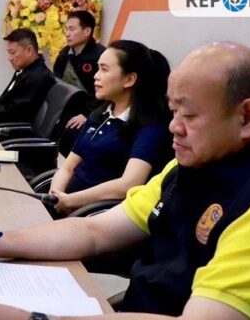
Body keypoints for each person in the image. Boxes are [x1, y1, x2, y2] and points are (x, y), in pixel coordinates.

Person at [0, 42, 250, 320]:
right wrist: (0, 242)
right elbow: (95, 231)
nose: (174, 127)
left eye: (189, 116)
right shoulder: (186, 167)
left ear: (247, 118)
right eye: (173, 112)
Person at [49, 40, 172, 217]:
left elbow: (128, 184)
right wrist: (55, 196)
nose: (96, 76)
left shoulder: (150, 126)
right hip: (65, 204)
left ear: (129, 79)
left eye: (104, 69)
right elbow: (67, 168)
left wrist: (71, 201)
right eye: (98, 68)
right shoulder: (99, 114)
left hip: (92, 216)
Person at [53, 10, 106, 130]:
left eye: (72, 29)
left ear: (87, 31)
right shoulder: (64, 53)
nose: (67, 34)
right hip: (66, 110)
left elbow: (106, 91)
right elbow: (56, 82)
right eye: (66, 29)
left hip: (91, 114)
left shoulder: (101, 55)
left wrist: (87, 114)